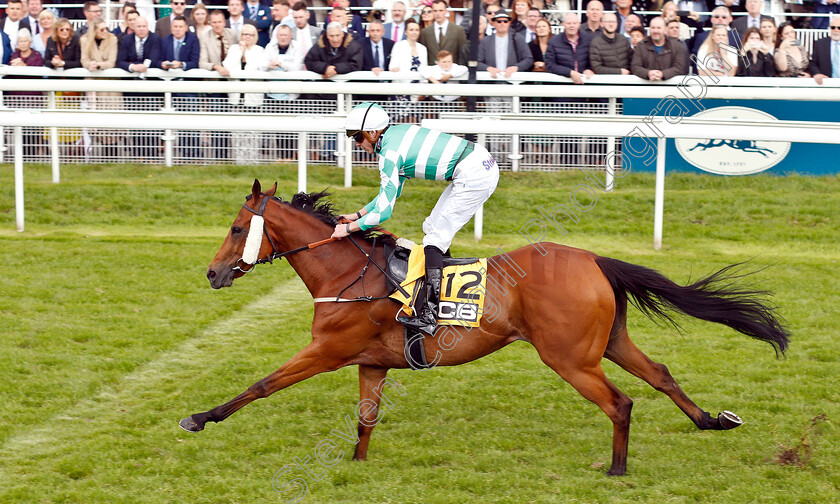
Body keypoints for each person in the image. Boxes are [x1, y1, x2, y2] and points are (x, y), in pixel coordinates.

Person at [335, 102, 500, 337]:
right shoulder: (395, 135)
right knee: (432, 227)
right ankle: (446, 295)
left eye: (358, 138)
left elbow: (383, 213)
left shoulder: (389, 154)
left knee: (435, 238)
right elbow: (388, 196)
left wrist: (349, 229)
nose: (357, 144)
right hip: (475, 165)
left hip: (474, 173)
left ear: (372, 133)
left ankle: (430, 314)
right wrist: (357, 215)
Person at [80, 17, 123, 158]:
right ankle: (98, 156)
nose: (105, 31)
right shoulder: (85, 40)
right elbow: (84, 59)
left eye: (106, 28)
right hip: (93, 85)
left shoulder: (112, 39)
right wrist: (89, 65)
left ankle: (113, 156)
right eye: (102, 29)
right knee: (95, 120)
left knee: (112, 120)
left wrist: (97, 65)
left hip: (111, 87)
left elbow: (111, 62)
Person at [545, 13, 593, 85]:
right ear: (563, 24)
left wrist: (589, 69)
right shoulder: (554, 41)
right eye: (568, 23)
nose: (572, 26)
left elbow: (594, 60)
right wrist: (569, 72)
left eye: (574, 23)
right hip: (562, 85)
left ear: (579, 24)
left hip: (584, 84)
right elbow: (550, 65)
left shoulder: (588, 40)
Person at [419, 0, 467, 65]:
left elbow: (462, 53)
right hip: (432, 71)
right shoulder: (425, 32)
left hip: (452, 71)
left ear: (446, 11)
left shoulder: (458, 30)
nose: (438, 13)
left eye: (440, 10)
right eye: (435, 11)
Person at [810, 18, 840, 85]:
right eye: (833, 27)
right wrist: (817, 73)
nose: (836, 30)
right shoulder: (820, 44)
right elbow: (813, 63)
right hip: (825, 83)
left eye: (839, 28)